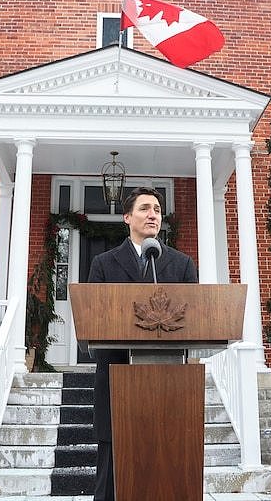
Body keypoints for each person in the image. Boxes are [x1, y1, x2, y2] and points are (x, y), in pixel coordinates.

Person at [87, 186, 197, 501]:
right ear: (127, 217)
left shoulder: (181, 264)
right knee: (112, 475)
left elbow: (194, 317)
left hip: (169, 384)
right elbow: (94, 314)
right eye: (145, 208)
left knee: (168, 468)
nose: (152, 215)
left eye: (157, 210)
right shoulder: (105, 264)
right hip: (116, 378)